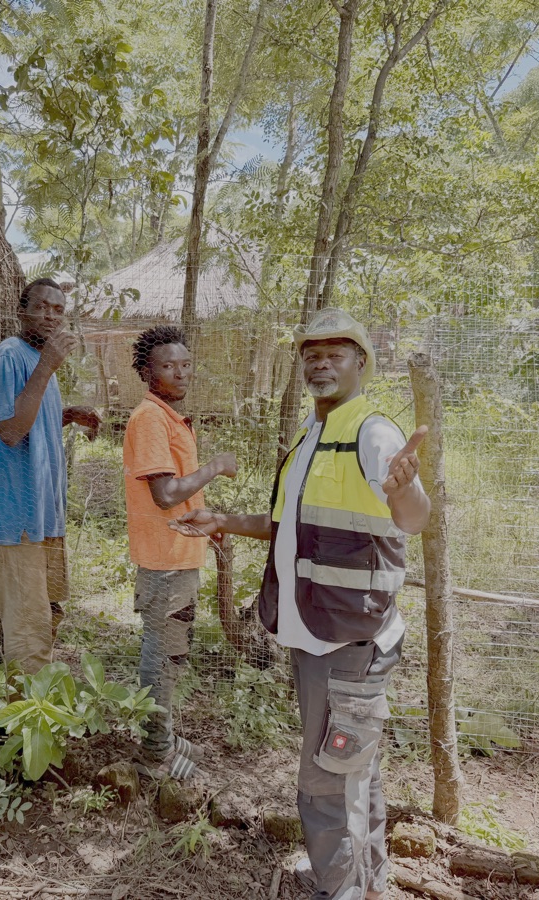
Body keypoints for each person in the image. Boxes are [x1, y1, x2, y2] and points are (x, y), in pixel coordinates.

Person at [171, 308, 430, 900]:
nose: (321, 362)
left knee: (326, 781)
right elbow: (291, 525)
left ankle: (338, 891)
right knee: (352, 771)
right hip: (317, 631)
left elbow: (413, 519)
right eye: (312, 354)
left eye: (336, 353)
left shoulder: (373, 433)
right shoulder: (315, 434)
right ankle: (364, 882)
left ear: (361, 364)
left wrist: (405, 488)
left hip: (346, 640)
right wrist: (225, 521)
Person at [122, 326, 235, 780]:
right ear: (148, 372)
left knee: (174, 650)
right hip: (164, 562)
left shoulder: (168, 416)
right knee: (163, 651)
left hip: (180, 554)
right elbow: (165, 494)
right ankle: (155, 754)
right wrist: (216, 467)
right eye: (169, 366)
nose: (181, 373)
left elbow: (180, 494)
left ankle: (162, 733)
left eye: (186, 364)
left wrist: (207, 521)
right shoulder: (150, 418)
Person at [0, 277, 101, 673]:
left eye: (59, 309)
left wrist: (63, 416)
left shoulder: (39, 360)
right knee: (28, 630)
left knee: (47, 613)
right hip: (16, 520)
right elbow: (11, 431)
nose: (51, 315)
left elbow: (26, 420)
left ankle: (36, 705)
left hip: (45, 517)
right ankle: (27, 722)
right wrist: (48, 365)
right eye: (42, 306)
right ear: (21, 311)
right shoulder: (7, 358)